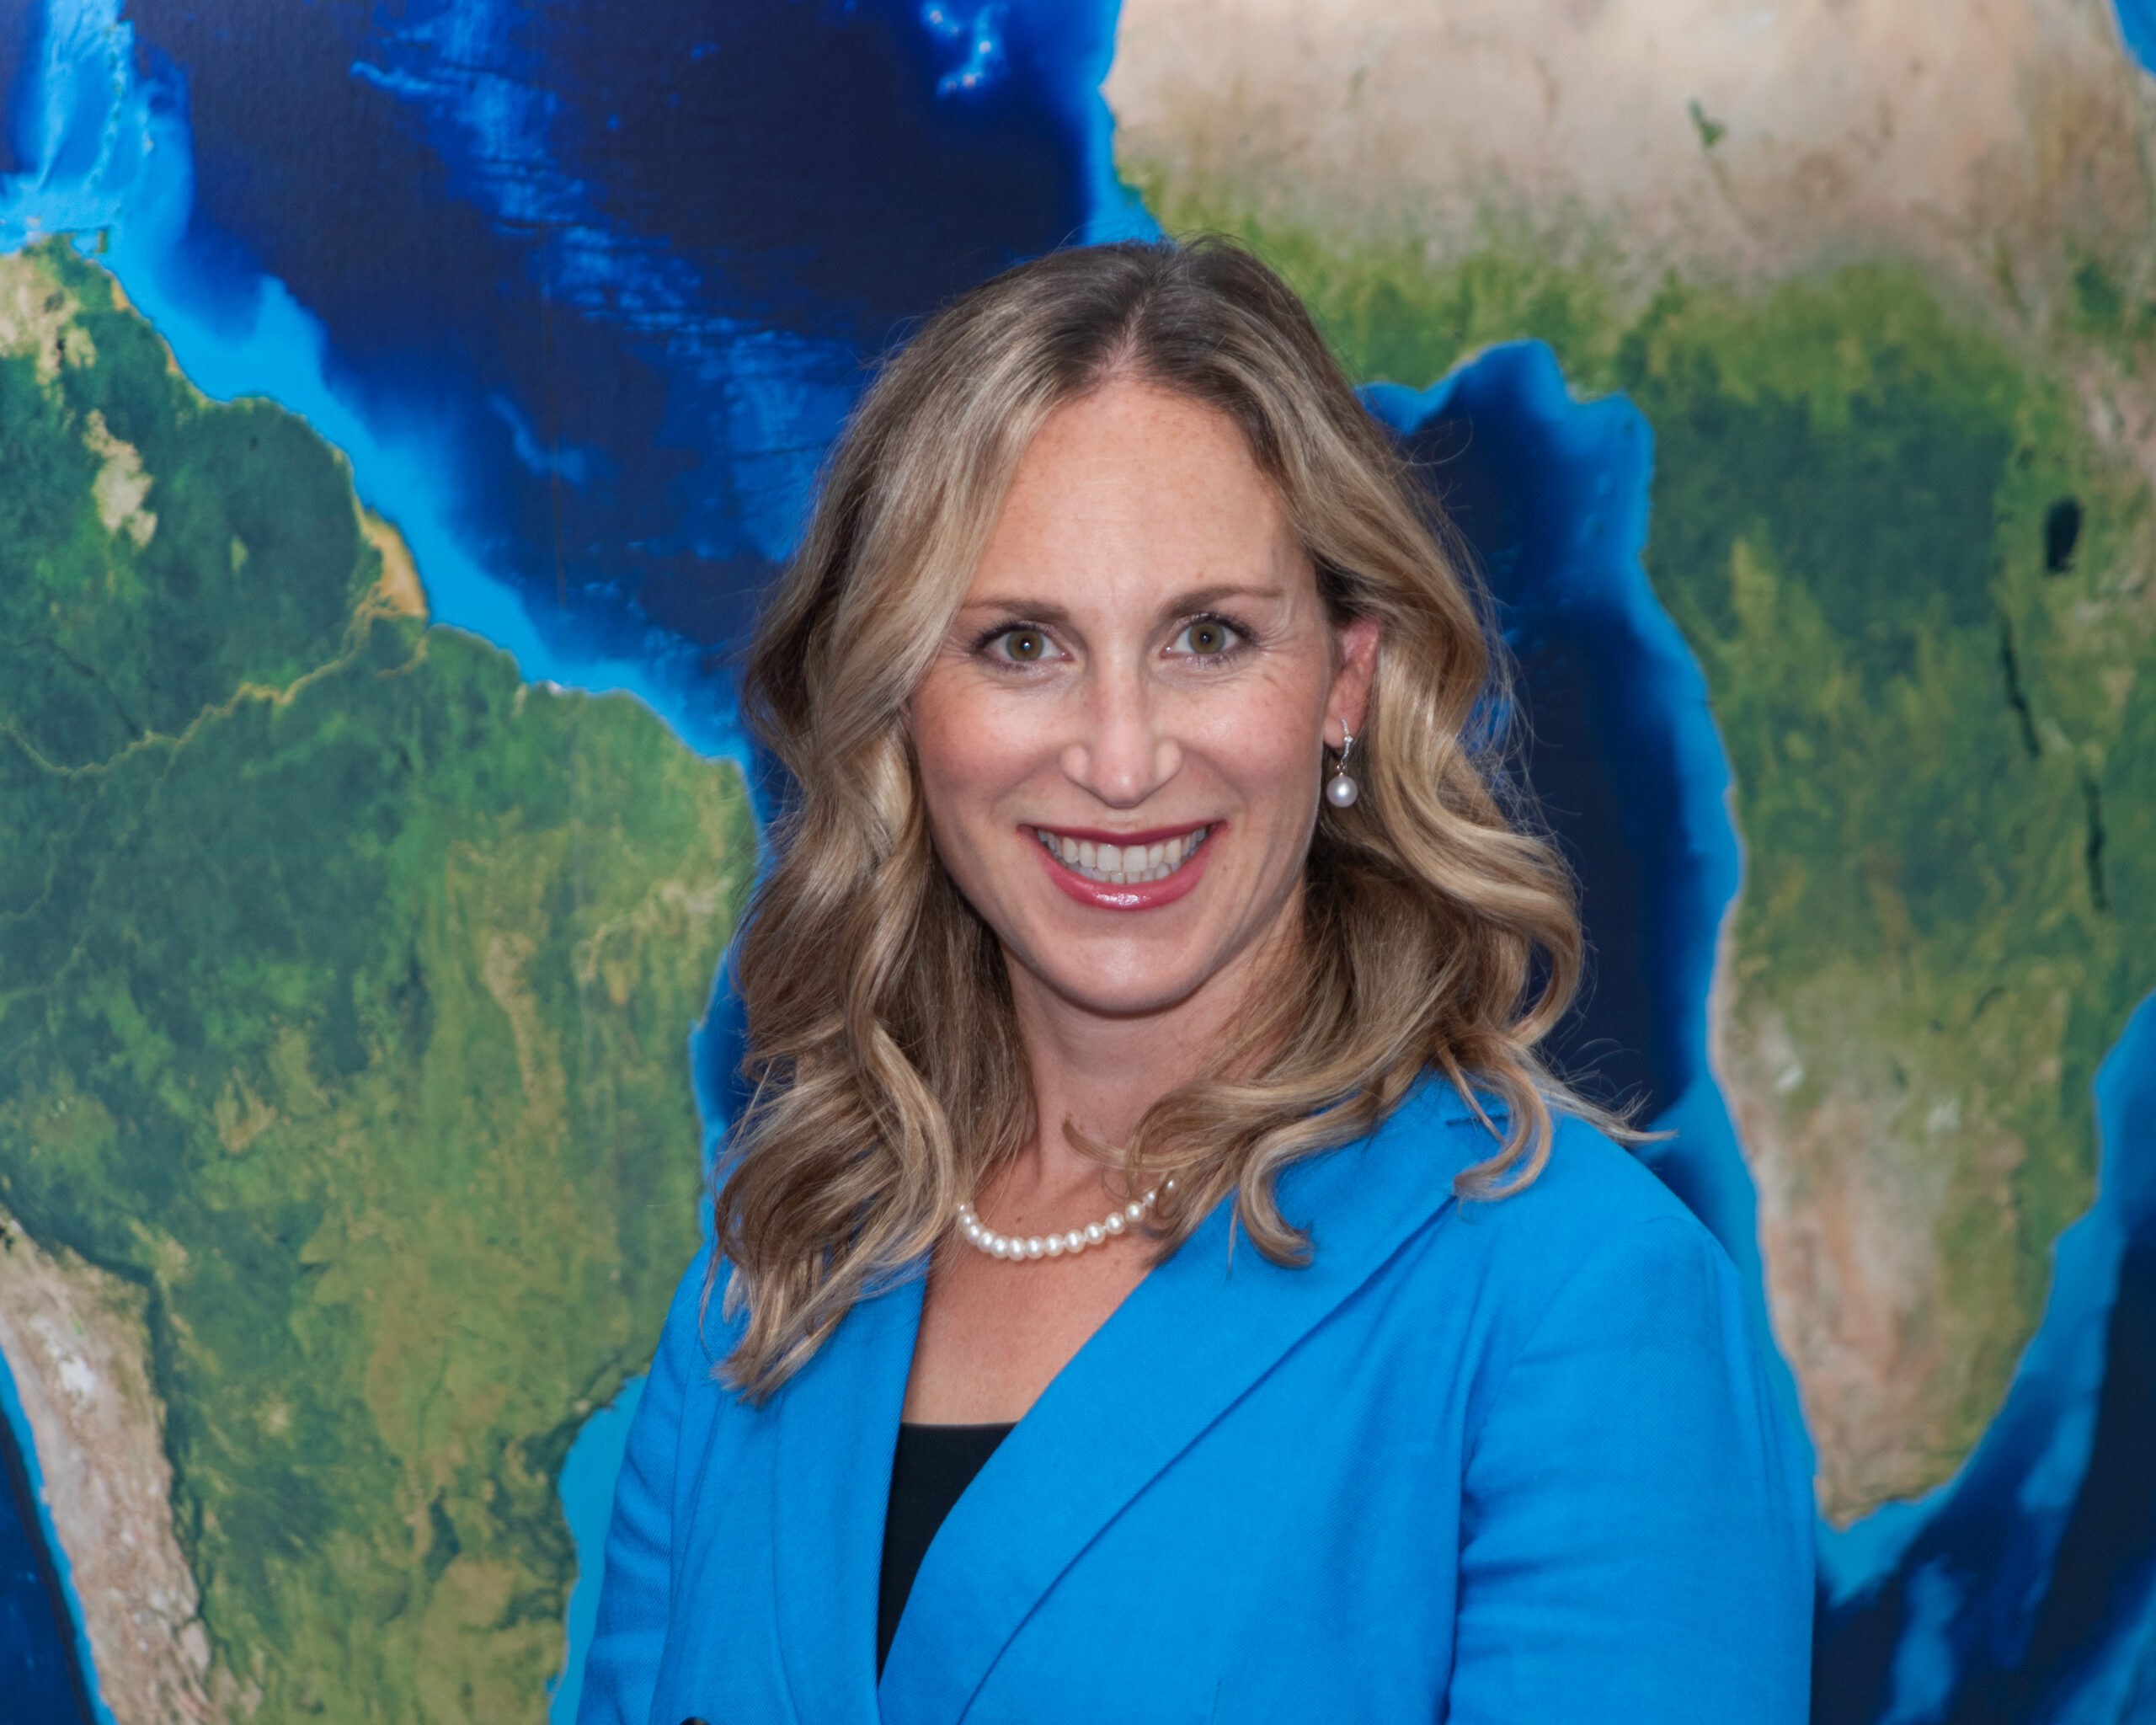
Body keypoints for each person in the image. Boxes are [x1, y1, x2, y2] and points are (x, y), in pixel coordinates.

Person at [578, 238, 1814, 1725]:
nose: (1119, 758)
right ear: (907, 698)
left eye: (1209, 637)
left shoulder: (1576, 1303)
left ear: (1347, 680)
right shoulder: (757, 1306)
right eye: (1021, 643)